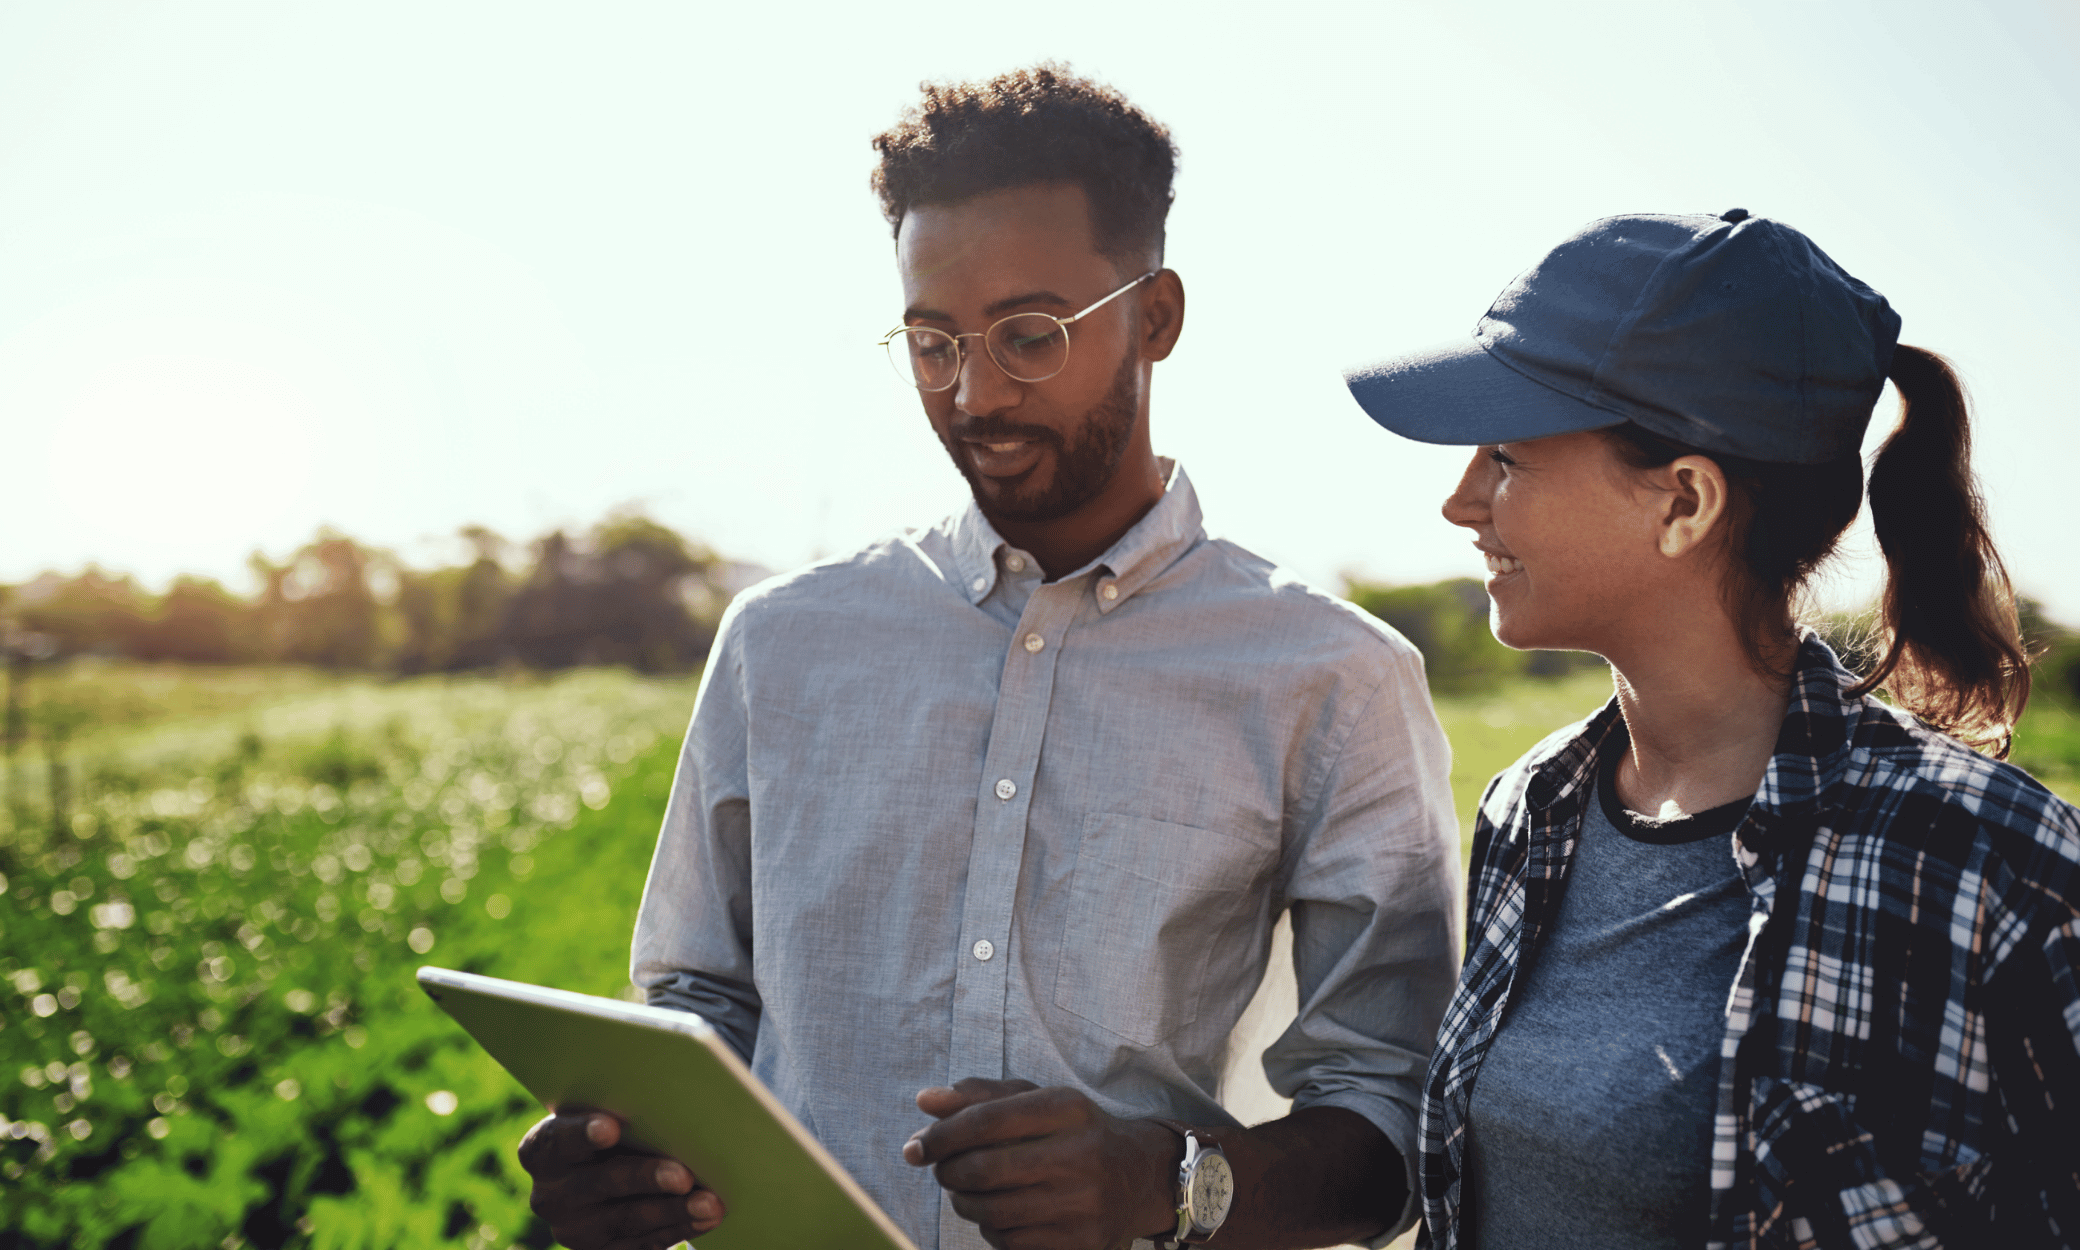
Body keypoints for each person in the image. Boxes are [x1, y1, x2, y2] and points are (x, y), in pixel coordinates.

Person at [519, 65, 1462, 1250]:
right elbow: (697, 1004)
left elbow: (1401, 1121)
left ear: (1156, 317)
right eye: (930, 341)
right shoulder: (779, 642)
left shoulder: (1335, 677)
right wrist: (623, 1157)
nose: (974, 394)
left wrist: (1166, 1182)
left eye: (1029, 336)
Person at [1343, 210, 2080, 1249]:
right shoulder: (1528, 810)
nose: (1459, 500)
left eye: (1505, 456)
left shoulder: (1996, 862)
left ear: (1683, 500)